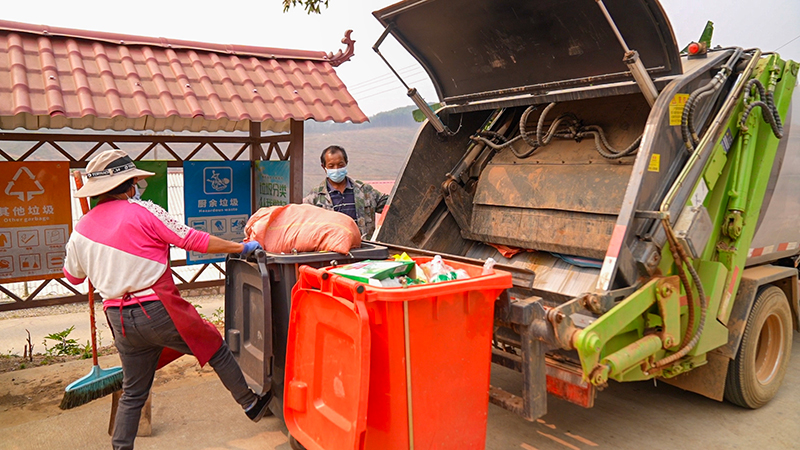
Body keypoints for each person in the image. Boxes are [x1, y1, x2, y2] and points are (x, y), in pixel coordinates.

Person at [62, 150, 270, 450]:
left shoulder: (80, 229)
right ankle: (250, 404)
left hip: (119, 319)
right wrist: (240, 247)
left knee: (133, 391)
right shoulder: (143, 211)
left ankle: (121, 447)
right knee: (214, 346)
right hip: (158, 308)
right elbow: (192, 240)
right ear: (131, 185)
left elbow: (74, 277)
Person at [303, 145, 388, 238]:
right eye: (331, 166)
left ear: (346, 163)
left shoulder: (365, 191)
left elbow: (393, 206)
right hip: (331, 251)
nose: (336, 169)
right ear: (324, 167)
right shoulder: (315, 198)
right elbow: (304, 226)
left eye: (340, 165)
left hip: (363, 249)